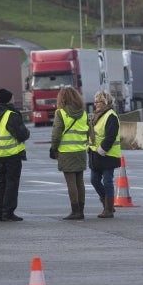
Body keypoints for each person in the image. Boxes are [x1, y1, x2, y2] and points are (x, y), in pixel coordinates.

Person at [0, 88, 30, 222]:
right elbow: (22, 134)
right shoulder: (11, 114)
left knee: (1, 183)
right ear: (9, 99)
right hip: (12, 153)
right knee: (11, 184)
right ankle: (8, 212)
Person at [50, 86, 88, 220]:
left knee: (71, 182)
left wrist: (54, 148)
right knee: (80, 182)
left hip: (66, 152)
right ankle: (81, 210)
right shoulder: (83, 113)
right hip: (81, 150)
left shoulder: (60, 113)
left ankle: (75, 210)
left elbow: (56, 133)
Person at [87, 91, 121, 219]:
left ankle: (108, 209)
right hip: (95, 155)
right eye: (95, 101)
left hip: (107, 155)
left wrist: (102, 150)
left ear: (105, 102)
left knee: (107, 181)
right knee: (94, 180)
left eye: (98, 102)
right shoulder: (95, 116)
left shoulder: (110, 116)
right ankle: (108, 204)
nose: (96, 104)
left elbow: (110, 136)